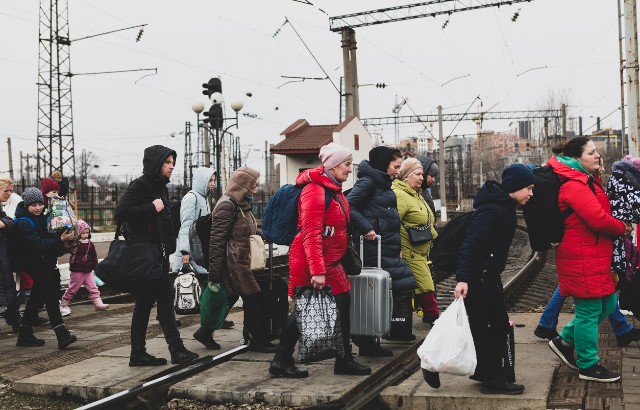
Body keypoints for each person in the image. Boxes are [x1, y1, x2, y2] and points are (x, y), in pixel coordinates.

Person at [269, 142, 372, 378]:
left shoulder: (333, 190)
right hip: (312, 262)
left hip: (331, 262)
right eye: (346, 164)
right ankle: (281, 360)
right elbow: (310, 234)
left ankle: (344, 358)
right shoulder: (315, 191)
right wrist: (317, 271)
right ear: (334, 166)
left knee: (343, 302)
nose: (349, 169)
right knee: (305, 309)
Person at [545, 137, 630, 383]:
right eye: (592, 152)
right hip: (581, 256)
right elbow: (597, 219)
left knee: (605, 304)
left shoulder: (586, 180)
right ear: (576, 159)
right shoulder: (574, 184)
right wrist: (622, 227)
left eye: (597, 152)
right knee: (589, 310)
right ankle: (588, 365)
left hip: (593, 254)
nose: (598, 156)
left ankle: (563, 341)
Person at [449, 164, 535, 394]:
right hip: (480, 279)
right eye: (528, 188)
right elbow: (470, 244)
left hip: (488, 277)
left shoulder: (503, 206)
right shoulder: (492, 210)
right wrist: (463, 278)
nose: (531, 193)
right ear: (515, 187)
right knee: (493, 327)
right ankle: (492, 380)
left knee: (486, 327)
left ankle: (484, 372)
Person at [115, 145, 199, 366]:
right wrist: (151, 208)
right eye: (167, 162)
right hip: (146, 256)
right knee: (162, 298)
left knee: (147, 304)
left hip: (157, 255)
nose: (171, 166)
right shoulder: (141, 185)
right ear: (155, 163)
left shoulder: (160, 187)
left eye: (172, 162)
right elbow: (121, 212)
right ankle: (176, 350)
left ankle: (139, 353)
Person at [197, 166, 275, 352]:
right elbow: (216, 240)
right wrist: (215, 273)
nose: (255, 190)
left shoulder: (242, 204)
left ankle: (205, 332)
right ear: (242, 186)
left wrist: (262, 234)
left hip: (241, 260)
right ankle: (258, 340)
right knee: (253, 297)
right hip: (233, 262)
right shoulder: (227, 205)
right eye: (252, 186)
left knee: (231, 297)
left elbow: (245, 229)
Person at [348, 146, 416, 350]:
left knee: (399, 285)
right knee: (380, 290)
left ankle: (384, 332)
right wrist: (366, 227)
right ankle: (368, 339)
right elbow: (348, 205)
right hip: (373, 248)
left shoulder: (384, 185)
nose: (398, 171)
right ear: (383, 164)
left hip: (386, 248)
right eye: (395, 166)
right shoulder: (369, 182)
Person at [14, 187, 77, 349]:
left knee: (37, 297)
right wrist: (59, 240)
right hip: (34, 264)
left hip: (45, 263)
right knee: (50, 297)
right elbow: (37, 245)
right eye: (33, 205)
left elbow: (49, 236)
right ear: (26, 205)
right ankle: (62, 334)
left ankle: (25, 334)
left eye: (40, 204)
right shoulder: (23, 223)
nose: (37, 208)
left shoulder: (42, 218)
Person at [392, 158, 440, 326]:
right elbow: (392, 223)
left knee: (421, 285)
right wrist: (396, 248)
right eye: (417, 174)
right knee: (425, 284)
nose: (421, 177)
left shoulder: (416, 193)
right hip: (409, 250)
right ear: (406, 176)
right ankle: (432, 317)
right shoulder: (400, 195)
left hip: (420, 249)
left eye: (421, 174)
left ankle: (427, 316)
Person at [59, 219, 109, 316]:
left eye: (87, 232)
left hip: (88, 270)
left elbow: (94, 256)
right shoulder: (75, 243)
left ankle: (98, 304)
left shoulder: (90, 244)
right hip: (77, 270)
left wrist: (95, 267)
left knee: (93, 287)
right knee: (73, 288)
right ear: (78, 233)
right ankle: (64, 304)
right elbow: (68, 250)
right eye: (83, 233)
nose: (86, 235)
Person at [172, 167, 216, 275]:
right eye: (210, 180)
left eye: (214, 180)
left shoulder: (204, 199)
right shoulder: (191, 198)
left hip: (198, 250)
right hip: (189, 253)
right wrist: (185, 253)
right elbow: (186, 226)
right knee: (186, 286)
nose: (213, 183)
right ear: (202, 181)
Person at [0, 208, 19, 331]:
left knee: (9, 288)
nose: (9, 194)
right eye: (6, 191)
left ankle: (14, 317)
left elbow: (10, 222)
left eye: (11, 191)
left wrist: (4, 223)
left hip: (3, 259)